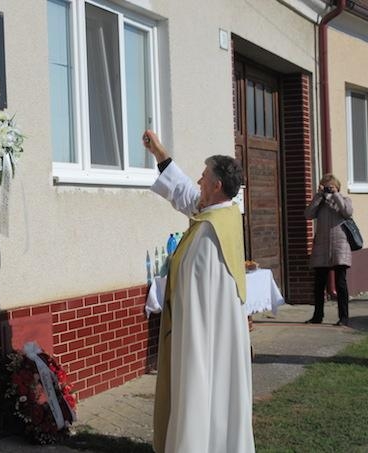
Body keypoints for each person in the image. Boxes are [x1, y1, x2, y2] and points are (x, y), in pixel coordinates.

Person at [143, 130, 255, 453]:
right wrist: (160, 156)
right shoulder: (225, 213)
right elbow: (187, 197)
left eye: (204, 177)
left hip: (201, 338)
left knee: (200, 389)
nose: (199, 181)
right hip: (216, 335)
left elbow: (193, 288)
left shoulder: (208, 235)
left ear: (217, 185)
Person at [304, 174, 353, 326]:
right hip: (322, 247)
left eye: (331, 186)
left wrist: (335, 195)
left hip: (340, 247)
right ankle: (317, 316)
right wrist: (319, 196)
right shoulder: (320, 204)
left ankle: (344, 317)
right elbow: (308, 214)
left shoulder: (344, 200)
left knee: (341, 283)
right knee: (319, 284)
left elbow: (347, 212)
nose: (328, 189)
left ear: (337, 187)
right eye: (325, 186)